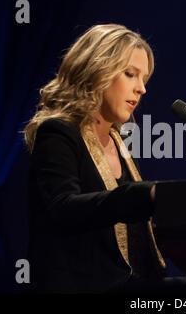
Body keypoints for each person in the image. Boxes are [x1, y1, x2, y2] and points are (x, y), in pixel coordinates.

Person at [23, 24, 167, 293]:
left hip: (129, 284)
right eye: (130, 74)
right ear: (96, 72)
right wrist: (145, 195)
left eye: (144, 79)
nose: (141, 89)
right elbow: (63, 208)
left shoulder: (119, 141)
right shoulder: (57, 132)